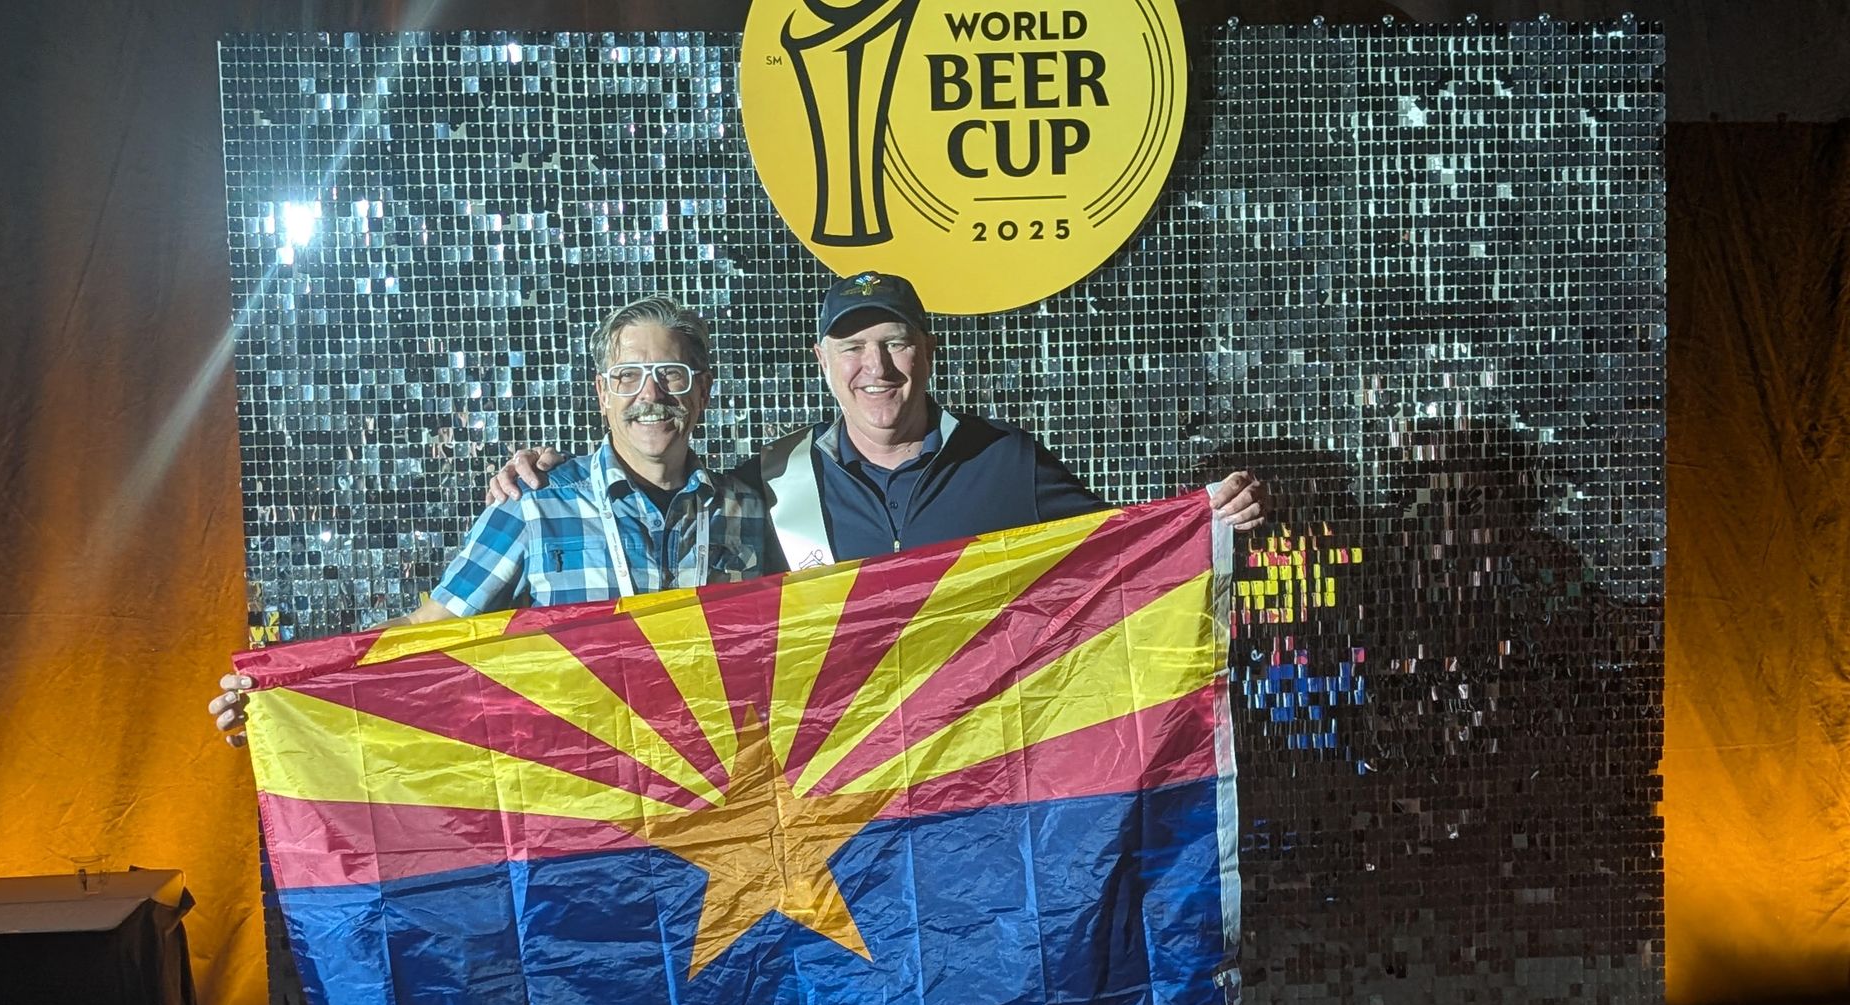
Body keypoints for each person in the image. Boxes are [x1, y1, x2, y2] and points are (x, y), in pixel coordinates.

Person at [210, 295, 768, 746]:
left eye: (670, 374)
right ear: (602, 394)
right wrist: (279, 691)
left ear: (702, 393)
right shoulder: (535, 503)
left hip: (714, 791)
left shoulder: (746, 511)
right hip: (589, 804)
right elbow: (423, 632)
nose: (649, 394)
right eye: (627, 376)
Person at [486, 271, 1269, 568]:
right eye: (853, 347)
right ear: (822, 362)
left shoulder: (1008, 462)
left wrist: (1203, 522)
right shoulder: (765, 485)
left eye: (894, 342)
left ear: (927, 352)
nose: (877, 368)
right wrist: (540, 482)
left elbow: (1122, 556)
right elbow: (656, 508)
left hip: (977, 780)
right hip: (842, 803)